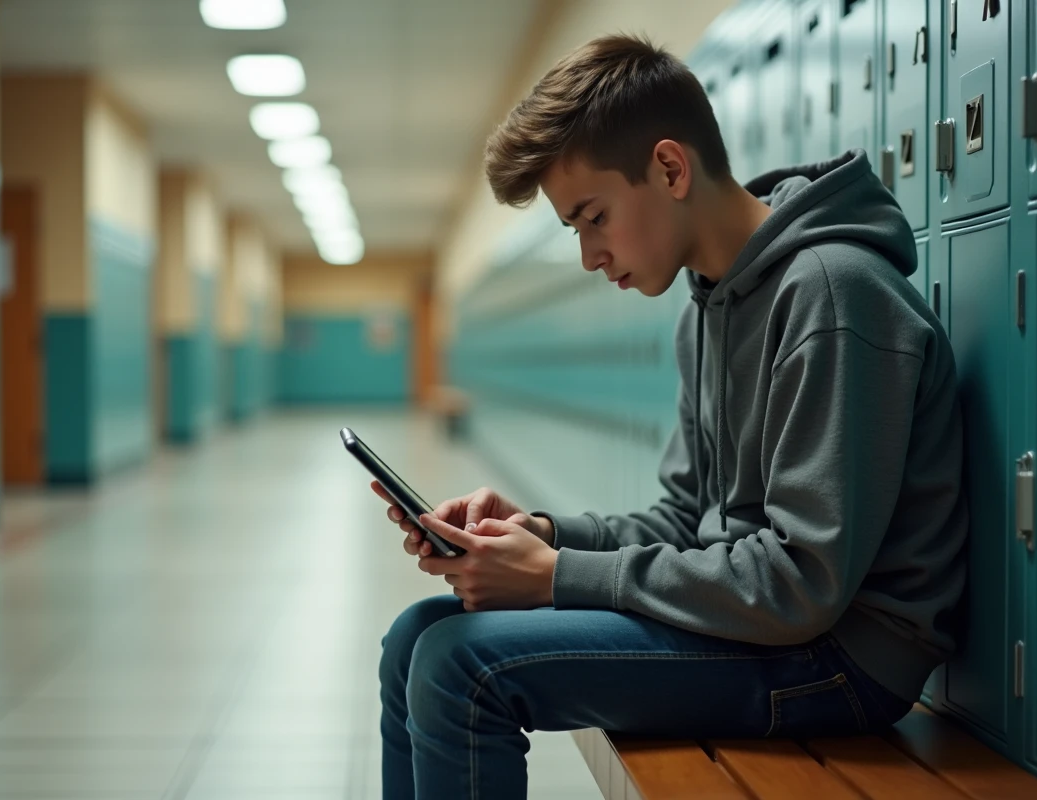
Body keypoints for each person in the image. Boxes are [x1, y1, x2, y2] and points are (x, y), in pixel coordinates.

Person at [372, 33, 968, 800]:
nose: (589, 255)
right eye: (575, 230)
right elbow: (688, 516)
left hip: (839, 658)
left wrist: (559, 579)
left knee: (462, 665)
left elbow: (802, 582)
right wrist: (547, 537)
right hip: (767, 626)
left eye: (594, 218)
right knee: (412, 640)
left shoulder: (831, 294)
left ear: (670, 168)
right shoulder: (707, 307)